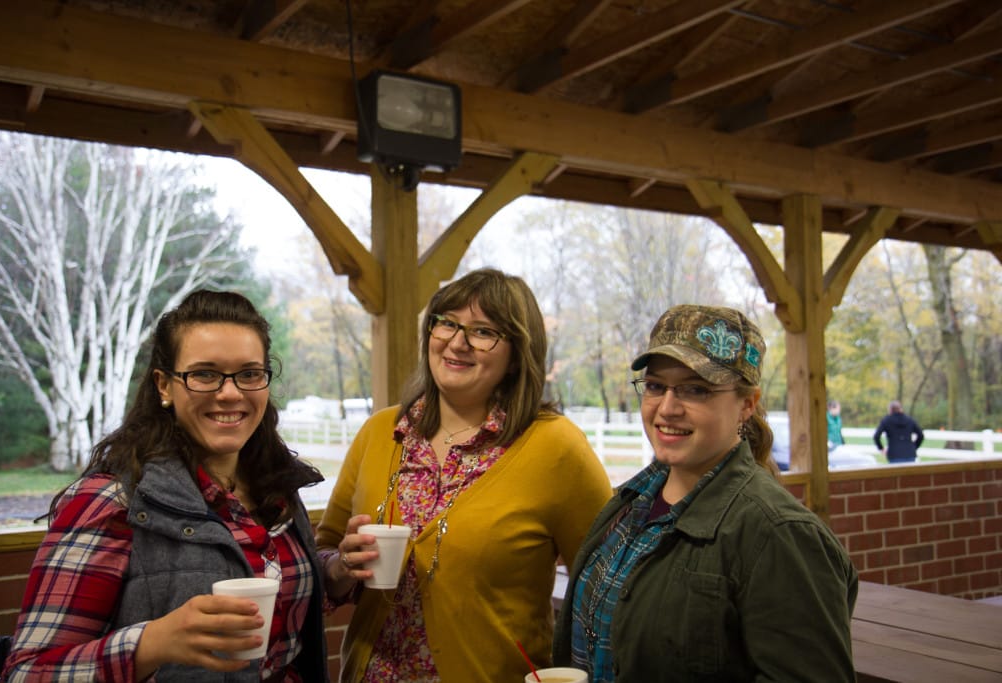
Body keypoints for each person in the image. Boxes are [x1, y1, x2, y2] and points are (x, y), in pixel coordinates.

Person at [2, 291, 329, 682]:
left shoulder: (276, 488)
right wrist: (152, 643)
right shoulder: (112, 500)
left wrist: (335, 572)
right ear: (164, 386)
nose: (230, 392)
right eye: (205, 374)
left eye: (248, 374)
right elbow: (27, 673)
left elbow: (278, 593)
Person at [315, 268, 614, 683]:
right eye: (447, 323)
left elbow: (607, 587)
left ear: (516, 355)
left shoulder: (555, 447)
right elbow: (325, 551)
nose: (457, 342)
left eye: (483, 331)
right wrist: (341, 568)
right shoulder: (380, 433)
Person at [554, 304, 858, 682]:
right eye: (654, 386)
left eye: (695, 390)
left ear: (746, 404)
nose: (667, 408)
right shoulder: (626, 505)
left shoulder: (779, 534)